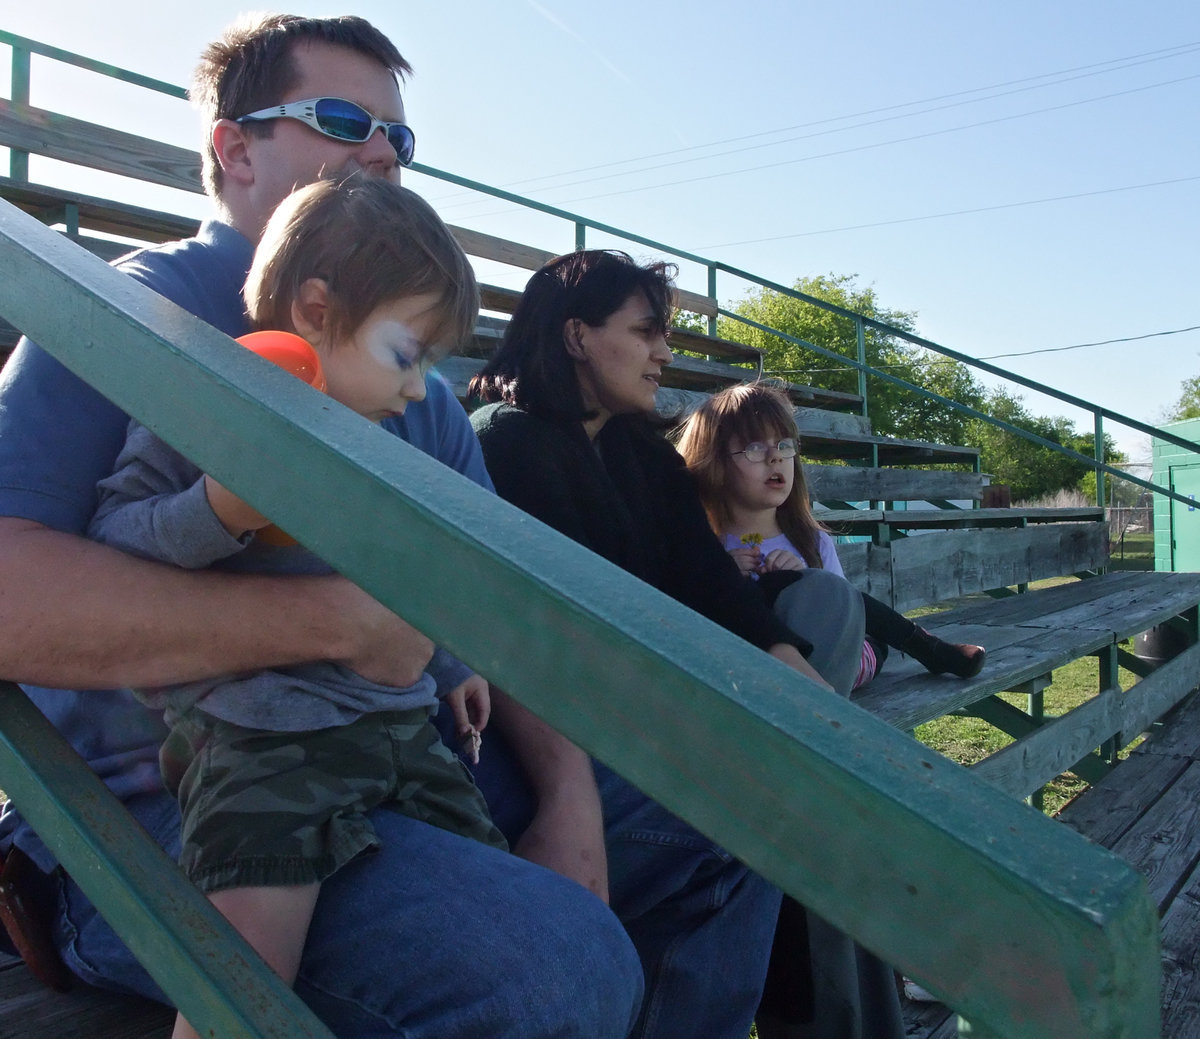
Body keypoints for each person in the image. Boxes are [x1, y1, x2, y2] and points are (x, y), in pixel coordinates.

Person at [0, 15, 643, 1038]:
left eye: (400, 136)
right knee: (547, 968)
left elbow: (495, 592)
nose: (384, 151)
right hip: (161, 803)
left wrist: (568, 791)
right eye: (344, 119)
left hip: (390, 749)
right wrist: (349, 623)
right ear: (235, 149)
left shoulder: (411, 384)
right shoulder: (125, 317)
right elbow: (9, 602)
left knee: (742, 831)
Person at [86, 176, 508, 1039]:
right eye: (406, 354)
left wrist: (453, 664)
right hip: (263, 740)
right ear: (316, 309)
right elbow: (118, 543)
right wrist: (221, 508)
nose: (423, 388)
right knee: (241, 981)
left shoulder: (381, 437)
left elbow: (407, 574)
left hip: (399, 728)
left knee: (497, 889)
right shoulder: (208, 406)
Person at [466, 249, 890, 1039]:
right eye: (647, 330)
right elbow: (559, 636)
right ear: (577, 336)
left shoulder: (640, 454)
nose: (666, 351)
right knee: (773, 812)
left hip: (641, 726)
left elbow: (710, 584)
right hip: (543, 753)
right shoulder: (505, 444)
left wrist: (799, 681)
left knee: (822, 792)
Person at [675, 381, 987, 685]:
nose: (776, 457)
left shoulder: (811, 540)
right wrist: (724, 577)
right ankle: (922, 644)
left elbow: (843, 615)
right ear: (715, 463)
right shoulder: (705, 547)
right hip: (754, 670)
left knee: (827, 591)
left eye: (785, 445)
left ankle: (925, 646)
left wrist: (806, 583)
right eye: (755, 447)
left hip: (840, 658)